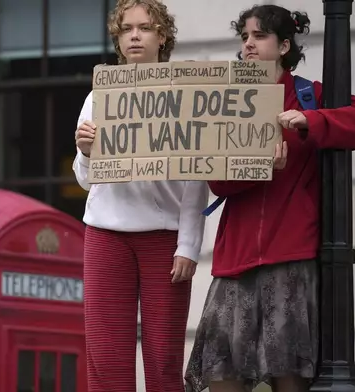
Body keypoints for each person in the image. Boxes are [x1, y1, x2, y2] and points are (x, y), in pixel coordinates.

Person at [185, 5, 355, 392]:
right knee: (222, 380)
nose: (248, 44)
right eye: (244, 37)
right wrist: (260, 168)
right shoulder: (231, 99)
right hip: (236, 263)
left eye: (259, 36)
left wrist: (313, 121)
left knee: (289, 382)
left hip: (290, 258)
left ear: (284, 45)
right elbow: (218, 184)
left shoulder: (311, 96)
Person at [72, 1, 209, 391]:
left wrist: (188, 245)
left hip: (163, 238)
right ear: (118, 38)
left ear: (161, 36)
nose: (134, 35)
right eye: (127, 28)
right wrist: (84, 153)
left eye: (145, 28)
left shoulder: (185, 94)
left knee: (163, 358)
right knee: (105, 357)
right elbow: (84, 180)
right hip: (105, 233)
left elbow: (196, 176)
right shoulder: (98, 95)